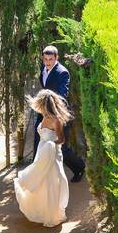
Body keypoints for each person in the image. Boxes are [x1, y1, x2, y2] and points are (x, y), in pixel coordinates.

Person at [15, 90, 70, 227]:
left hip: (52, 154)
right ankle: (42, 210)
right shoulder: (43, 117)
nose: (38, 108)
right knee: (41, 182)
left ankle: (52, 214)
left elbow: (62, 139)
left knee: (51, 181)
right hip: (42, 153)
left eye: (40, 105)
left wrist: (50, 145)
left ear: (45, 105)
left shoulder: (56, 120)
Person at [32, 45, 86, 182]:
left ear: (56, 58)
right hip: (43, 113)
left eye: (50, 59)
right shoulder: (43, 68)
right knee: (39, 141)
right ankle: (38, 176)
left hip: (58, 114)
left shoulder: (63, 72)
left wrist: (49, 103)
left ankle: (79, 167)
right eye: (45, 59)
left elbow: (63, 93)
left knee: (61, 147)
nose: (47, 62)